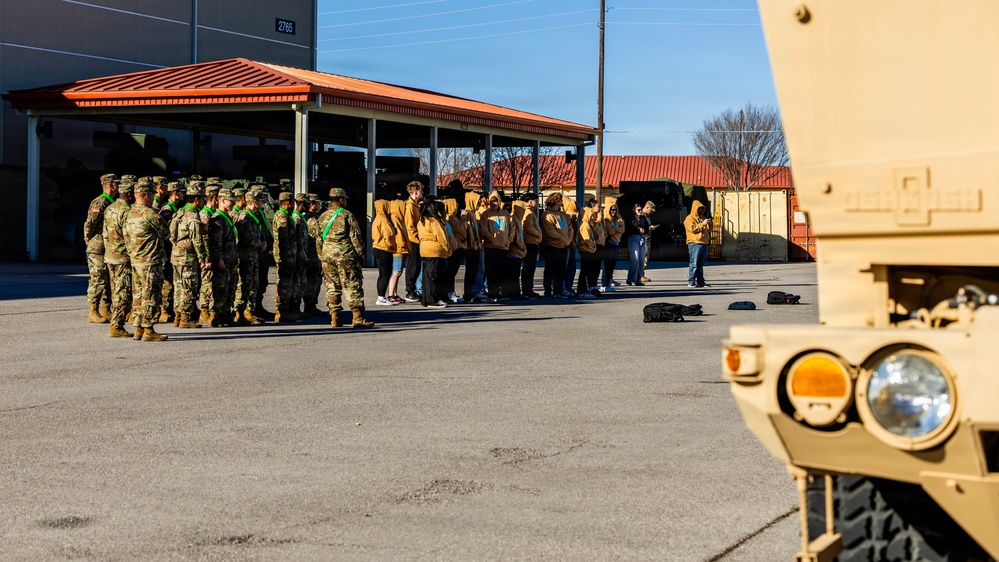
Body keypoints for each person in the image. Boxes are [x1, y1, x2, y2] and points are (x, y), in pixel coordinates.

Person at [317, 188, 374, 328]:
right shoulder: (347, 215)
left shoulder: (322, 216)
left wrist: (321, 255)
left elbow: (318, 239)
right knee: (352, 285)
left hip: (327, 256)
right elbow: (356, 238)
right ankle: (357, 317)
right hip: (345, 256)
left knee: (331, 286)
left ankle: (335, 318)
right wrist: (361, 256)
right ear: (341, 200)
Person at [124, 178, 169, 341]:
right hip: (150, 261)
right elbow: (166, 233)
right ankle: (148, 329)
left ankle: (138, 328)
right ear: (147, 195)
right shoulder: (150, 213)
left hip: (136, 260)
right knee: (151, 294)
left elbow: (126, 237)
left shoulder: (130, 213)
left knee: (138, 295)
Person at [171, 181, 209, 328]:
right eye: (202, 198)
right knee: (188, 287)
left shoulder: (180, 213)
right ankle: (185, 318)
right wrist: (203, 257)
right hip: (187, 257)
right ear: (197, 199)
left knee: (179, 287)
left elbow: (172, 235)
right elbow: (197, 240)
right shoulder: (193, 217)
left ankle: (178, 316)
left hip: (176, 255)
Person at [83, 173, 118, 323]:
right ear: (110, 185)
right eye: (116, 183)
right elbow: (90, 223)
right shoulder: (100, 202)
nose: (118, 186)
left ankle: (105, 308)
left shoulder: (113, 202)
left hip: (108, 246)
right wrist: (88, 237)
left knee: (108, 277)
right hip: (97, 246)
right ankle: (93, 311)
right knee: (98, 277)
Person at [103, 180, 135, 337]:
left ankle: (116, 323)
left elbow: (104, 233)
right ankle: (117, 326)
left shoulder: (110, 208)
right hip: (123, 257)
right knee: (124, 292)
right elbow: (129, 236)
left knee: (116, 290)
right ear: (129, 194)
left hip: (111, 256)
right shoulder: (126, 211)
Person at [233, 186, 267, 324]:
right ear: (253, 201)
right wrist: (260, 244)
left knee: (253, 284)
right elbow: (247, 236)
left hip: (252, 256)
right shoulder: (244, 216)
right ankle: (239, 312)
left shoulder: (253, 215)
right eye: (260, 200)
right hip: (246, 256)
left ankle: (249, 311)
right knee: (244, 285)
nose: (263, 202)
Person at [417, 199, 456, 308]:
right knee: (435, 276)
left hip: (424, 250)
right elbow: (441, 237)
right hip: (435, 251)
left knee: (427, 276)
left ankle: (426, 299)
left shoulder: (422, 220)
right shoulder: (434, 221)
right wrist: (447, 248)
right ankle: (432, 300)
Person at [209, 188, 239, 326]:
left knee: (229, 288)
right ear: (222, 200)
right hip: (223, 259)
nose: (233, 204)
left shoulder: (227, 217)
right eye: (230, 201)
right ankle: (217, 316)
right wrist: (218, 258)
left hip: (231, 259)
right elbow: (216, 241)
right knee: (221, 288)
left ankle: (226, 314)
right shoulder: (217, 219)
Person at [156, 181, 185, 323]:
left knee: (173, 280)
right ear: (175, 193)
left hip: (172, 249)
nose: (183, 194)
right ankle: (164, 310)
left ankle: (171, 307)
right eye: (181, 192)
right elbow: (166, 232)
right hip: (168, 250)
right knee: (167, 281)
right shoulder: (167, 210)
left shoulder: (176, 208)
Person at [478, 191, 513, 301]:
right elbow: (483, 229)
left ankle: (500, 292)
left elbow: (512, 228)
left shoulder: (506, 214)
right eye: (492, 201)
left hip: (504, 246)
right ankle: (492, 294)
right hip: (491, 247)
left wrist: (509, 239)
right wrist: (491, 239)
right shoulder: (486, 214)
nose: (494, 203)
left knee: (501, 272)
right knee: (491, 272)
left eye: (496, 201)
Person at [272, 191, 298, 322]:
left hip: (288, 253)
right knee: (284, 282)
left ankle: (285, 309)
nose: (294, 204)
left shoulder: (286, 215)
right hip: (284, 255)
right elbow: (283, 238)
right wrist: (288, 254)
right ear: (287, 203)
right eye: (293, 202)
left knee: (287, 282)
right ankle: (281, 311)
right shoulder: (282, 216)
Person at [539, 193, 572, 298]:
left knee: (561, 270)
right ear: (556, 201)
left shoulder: (563, 215)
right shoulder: (547, 215)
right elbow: (549, 231)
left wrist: (568, 240)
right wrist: (563, 239)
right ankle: (548, 291)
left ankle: (558, 290)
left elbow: (570, 228)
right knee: (550, 269)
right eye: (561, 199)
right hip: (551, 246)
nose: (562, 201)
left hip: (563, 246)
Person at [514, 193, 543, 298]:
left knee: (531, 267)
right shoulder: (528, 212)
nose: (537, 203)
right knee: (528, 267)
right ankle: (527, 289)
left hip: (532, 242)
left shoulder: (530, 212)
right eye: (536, 200)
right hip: (529, 242)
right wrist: (539, 234)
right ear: (530, 201)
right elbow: (528, 227)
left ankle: (528, 289)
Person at [371, 199, 398, 306]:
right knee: (386, 274)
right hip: (384, 249)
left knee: (382, 274)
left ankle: (380, 296)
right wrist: (393, 246)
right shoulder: (384, 220)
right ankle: (381, 298)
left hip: (376, 247)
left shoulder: (377, 218)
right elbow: (389, 235)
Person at [442, 197, 468, 303]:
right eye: (455, 205)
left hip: (457, 246)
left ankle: (450, 292)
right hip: (456, 247)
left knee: (452, 272)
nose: (457, 207)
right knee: (451, 272)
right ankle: (449, 292)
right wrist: (464, 218)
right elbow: (461, 230)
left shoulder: (450, 218)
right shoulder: (451, 218)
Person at [576, 198, 603, 298]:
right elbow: (586, 238)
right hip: (586, 250)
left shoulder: (590, 224)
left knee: (592, 270)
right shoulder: (585, 225)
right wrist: (593, 248)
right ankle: (582, 290)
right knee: (585, 271)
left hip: (591, 249)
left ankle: (590, 288)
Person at [403, 180, 424, 302]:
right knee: (412, 265)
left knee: (416, 266)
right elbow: (410, 226)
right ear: (416, 192)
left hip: (416, 239)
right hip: (413, 240)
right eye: (421, 190)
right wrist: (417, 239)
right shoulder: (410, 206)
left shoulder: (416, 206)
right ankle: (409, 290)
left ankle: (413, 289)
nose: (422, 192)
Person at [684, 200, 712, 288]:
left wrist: (710, 224)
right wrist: (702, 224)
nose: (700, 210)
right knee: (694, 263)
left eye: (701, 209)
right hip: (694, 243)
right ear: (694, 209)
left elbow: (709, 230)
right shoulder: (689, 218)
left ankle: (701, 282)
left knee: (701, 264)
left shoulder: (702, 218)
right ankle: (691, 281)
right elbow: (692, 229)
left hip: (704, 243)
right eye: (699, 209)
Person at [387, 198, 410, 304]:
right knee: (396, 272)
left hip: (398, 249)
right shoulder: (396, 220)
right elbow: (398, 236)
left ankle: (394, 294)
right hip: (398, 250)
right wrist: (403, 246)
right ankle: (391, 294)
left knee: (397, 272)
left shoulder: (395, 218)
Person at [602, 197, 625, 291]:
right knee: (607, 264)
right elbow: (610, 232)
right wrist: (617, 229)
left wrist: (616, 229)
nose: (613, 211)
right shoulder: (607, 219)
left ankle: (609, 280)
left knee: (613, 264)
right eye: (612, 209)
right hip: (609, 243)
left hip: (616, 243)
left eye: (615, 210)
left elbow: (623, 229)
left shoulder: (618, 219)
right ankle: (605, 283)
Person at [625, 203, 650, 286]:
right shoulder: (631, 219)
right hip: (633, 238)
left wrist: (644, 230)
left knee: (641, 259)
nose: (639, 211)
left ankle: (638, 280)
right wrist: (638, 230)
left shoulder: (643, 218)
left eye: (640, 209)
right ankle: (631, 278)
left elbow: (647, 227)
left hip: (642, 239)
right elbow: (628, 229)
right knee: (635, 258)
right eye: (638, 210)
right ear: (634, 210)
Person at [562, 196, 580, 296]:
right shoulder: (566, 217)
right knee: (567, 267)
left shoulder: (571, 216)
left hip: (571, 244)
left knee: (571, 267)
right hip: (568, 244)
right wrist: (570, 241)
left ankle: (568, 286)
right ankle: (565, 286)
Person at [641, 200, 658, 282]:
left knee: (646, 257)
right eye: (650, 210)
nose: (651, 212)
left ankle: (641, 273)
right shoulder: (641, 215)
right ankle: (640, 274)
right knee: (643, 257)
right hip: (643, 238)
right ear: (647, 207)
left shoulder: (646, 215)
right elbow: (641, 226)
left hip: (647, 237)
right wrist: (649, 228)